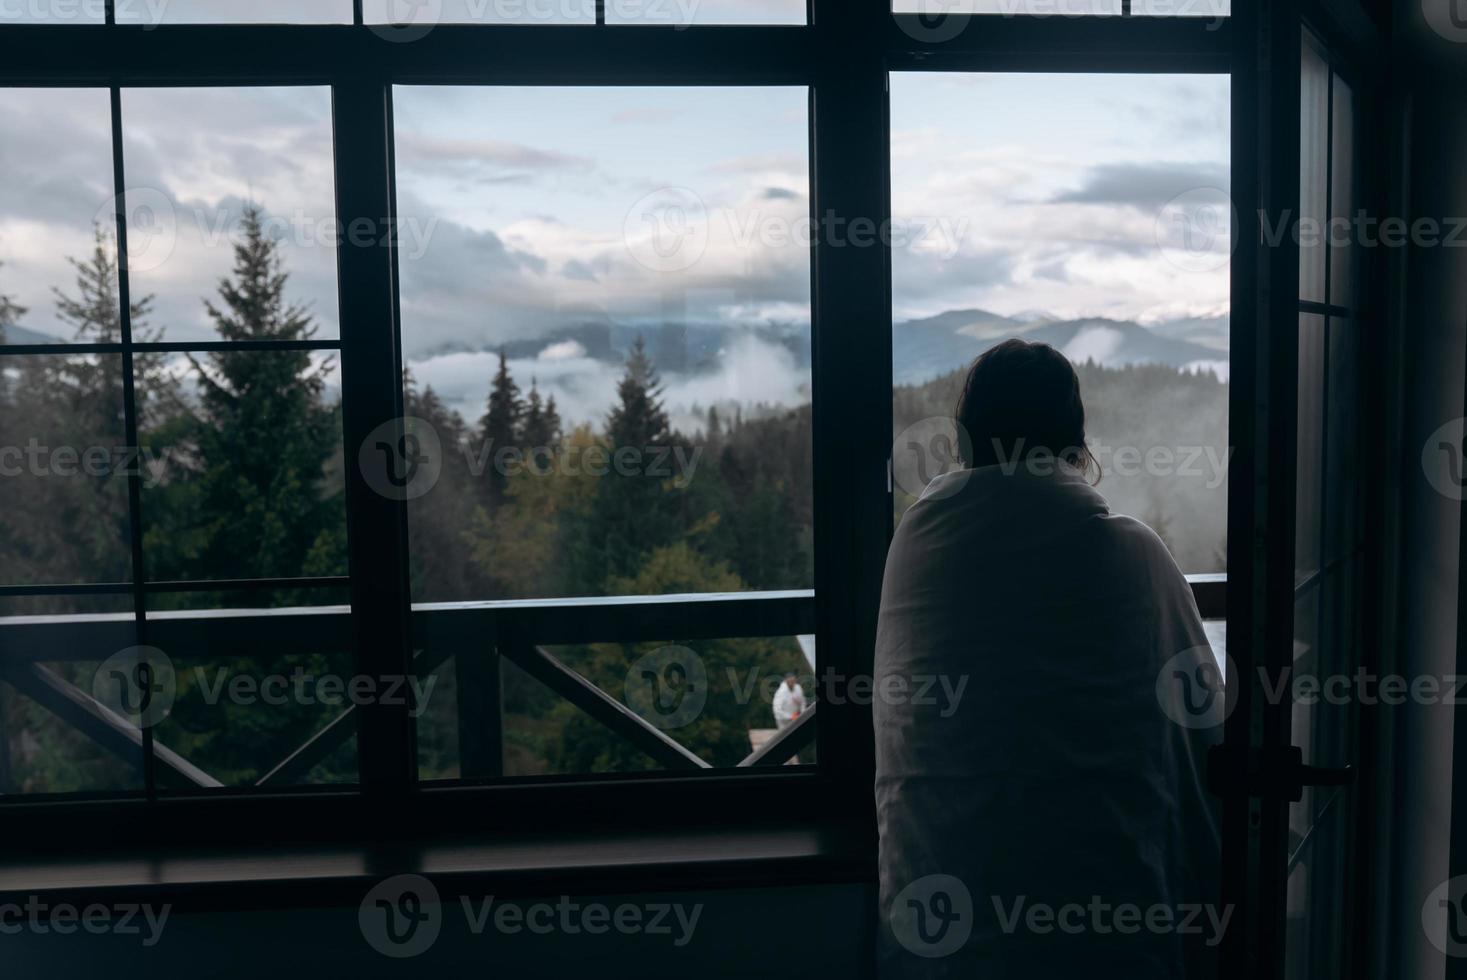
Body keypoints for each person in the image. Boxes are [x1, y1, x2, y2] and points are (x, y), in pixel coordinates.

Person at [874, 340, 1222, 979]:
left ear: (968, 434)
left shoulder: (917, 547)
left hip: (937, 919)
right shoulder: (1130, 555)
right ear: (1073, 438)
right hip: (1102, 929)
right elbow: (1200, 716)